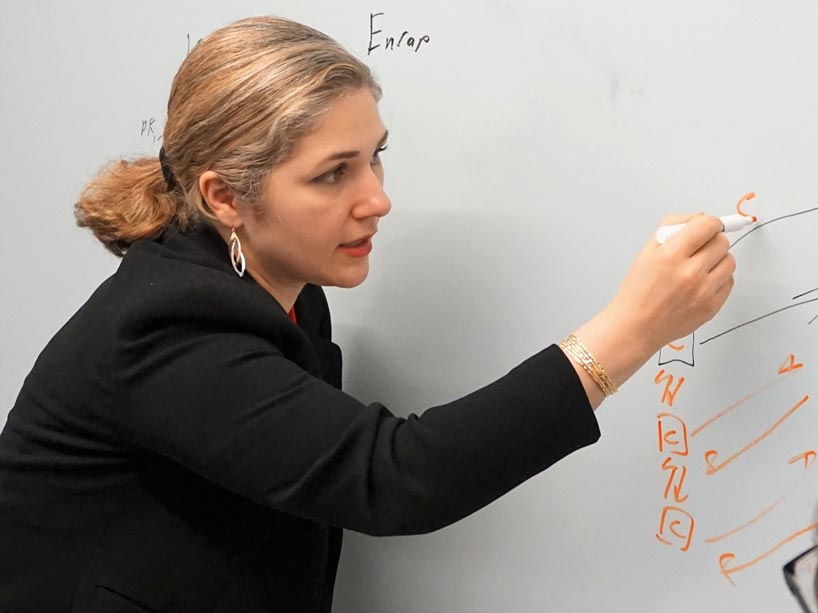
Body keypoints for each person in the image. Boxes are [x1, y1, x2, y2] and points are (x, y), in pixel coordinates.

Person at [0, 15, 735, 613]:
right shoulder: (165, 328)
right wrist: (634, 328)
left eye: (374, 156)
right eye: (333, 173)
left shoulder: (284, 289)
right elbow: (391, 475)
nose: (377, 197)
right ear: (225, 197)